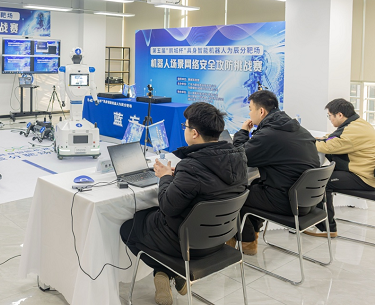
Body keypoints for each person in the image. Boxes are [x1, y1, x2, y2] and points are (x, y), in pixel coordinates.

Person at [120, 102, 247, 305]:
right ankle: (172, 274)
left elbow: (167, 206)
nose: (184, 130)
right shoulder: (239, 158)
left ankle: (168, 271)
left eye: (185, 126)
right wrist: (178, 177)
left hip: (188, 245)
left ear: (194, 133)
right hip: (219, 240)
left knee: (129, 228)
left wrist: (165, 177)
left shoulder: (192, 167)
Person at [233, 90, 320, 254]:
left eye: (250, 109)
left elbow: (239, 157)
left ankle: (247, 242)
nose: (249, 114)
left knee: (236, 194)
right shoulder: (297, 129)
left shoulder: (270, 134)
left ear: (261, 111)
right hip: (307, 200)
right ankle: (252, 237)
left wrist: (243, 132)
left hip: (287, 201)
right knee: (255, 185)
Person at [304, 98, 375, 237]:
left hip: (364, 177)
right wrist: (320, 138)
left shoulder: (353, 131)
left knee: (320, 181)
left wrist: (305, 141)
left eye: (330, 115)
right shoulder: (358, 123)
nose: (330, 119)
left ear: (340, 115)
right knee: (321, 176)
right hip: (363, 172)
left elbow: (328, 146)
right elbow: (334, 138)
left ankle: (326, 227)